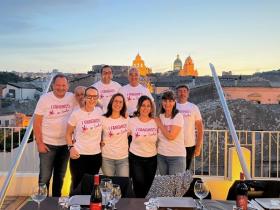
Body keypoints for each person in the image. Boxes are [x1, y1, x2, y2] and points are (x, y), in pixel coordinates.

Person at [33, 74, 76, 196]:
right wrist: (39, 143)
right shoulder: (45, 99)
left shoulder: (72, 97)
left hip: (65, 145)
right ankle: (43, 202)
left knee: (60, 177)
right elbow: (37, 123)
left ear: (68, 86)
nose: (61, 88)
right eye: (58, 85)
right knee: (44, 178)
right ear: (53, 86)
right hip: (47, 144)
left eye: (63, 85)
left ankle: (55, 203)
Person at [66, 87, 103, 193]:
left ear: (97, 98)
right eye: (89, 96)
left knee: (91, 185)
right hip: (79, 155)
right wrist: (71, 148)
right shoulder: (76, 114)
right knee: (77, 185)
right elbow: (68, 134)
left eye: (94, 97)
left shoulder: (100, 112)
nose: (92, 99)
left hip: (95, 155)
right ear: (85, 97)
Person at [128, 96, 158, 197]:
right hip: (136, 158)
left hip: (152, 159)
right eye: (143, 105)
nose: (145, 108)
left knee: (149, 187)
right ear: (139, 107)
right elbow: (121, 137)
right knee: (139, 185)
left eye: (148, 106)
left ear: (151, 108)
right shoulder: (132, 122)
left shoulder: (155, 122)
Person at [155, 91, 186, 175]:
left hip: (176, 157)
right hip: (161, 156)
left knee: (175, 186)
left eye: (170, 101)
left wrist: (160, 124)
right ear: (162, 102)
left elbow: (171, 136)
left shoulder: (178, 116)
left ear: (174, 102)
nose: (167, 103)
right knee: (165, 185)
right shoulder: (160, 116)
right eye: (165, 101)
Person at [176, 84, 204, 170]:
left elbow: (200, 128)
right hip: (175, 144)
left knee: (186, 169)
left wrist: (198, 146)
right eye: (180, 91)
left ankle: (184, 184)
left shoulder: (193, 107)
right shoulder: (172, 106)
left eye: (184, 91)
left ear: (188, 94)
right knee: (175, 170)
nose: (182, 93)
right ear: (176, 93)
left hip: (189, 144)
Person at [101, 93, 129, 177]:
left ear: (123, 105)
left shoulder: (127, 119)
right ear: (111, 102)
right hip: (107, 158)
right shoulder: (103, 119)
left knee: (123, 184)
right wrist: (99, 141)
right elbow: (95, 133)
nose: (118, 104)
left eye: (120, 102)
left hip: (123, 158)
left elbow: (132, 133)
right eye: (116, 101)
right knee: (108, 187)